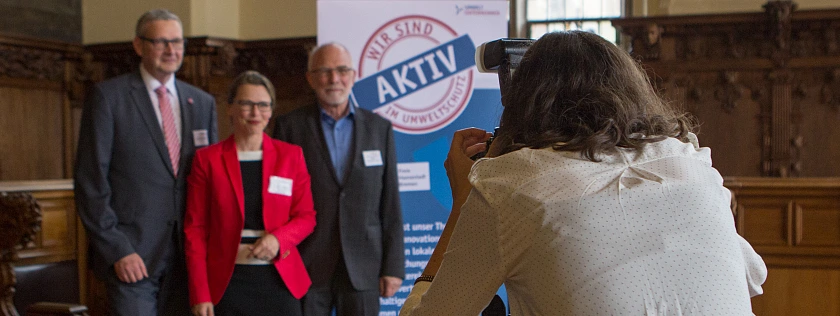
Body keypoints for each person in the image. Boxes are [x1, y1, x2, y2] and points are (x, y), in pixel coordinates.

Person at [400, 31, 767, 315]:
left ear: (523, 104)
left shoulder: (512, 186)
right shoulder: (690, 162)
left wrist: (464, 202)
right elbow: (754, 275)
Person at [74, 9, 218, 316]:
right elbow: (90, 181)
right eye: (161, 42)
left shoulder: (202, 103)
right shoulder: (108, 98)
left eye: (177, 42)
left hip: (188, 258)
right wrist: (117, 249)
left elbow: (210, 181)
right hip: (133, 256)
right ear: (139, 46)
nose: (172, 51)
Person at [273, 43, 405, 316]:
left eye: (342, 70)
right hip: (306, 264)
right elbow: (278, 202)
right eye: (325, 71)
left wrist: (393, 268)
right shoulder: (289, 127)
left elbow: (390, 203)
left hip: (365, 267)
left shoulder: (379, 129)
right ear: (310, 78)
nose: (334, 79)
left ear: (353, 75)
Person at [184, 71, 317, 316]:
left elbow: (306, 216)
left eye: (263, 105)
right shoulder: (207, 160)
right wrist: (200, 293)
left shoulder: (291, 156)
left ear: (271, 110)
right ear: (230, 108)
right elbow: (195, 229)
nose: (256, 113)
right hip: (227, 284)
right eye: (246, 104)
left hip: (280, 281)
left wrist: (278, 239)